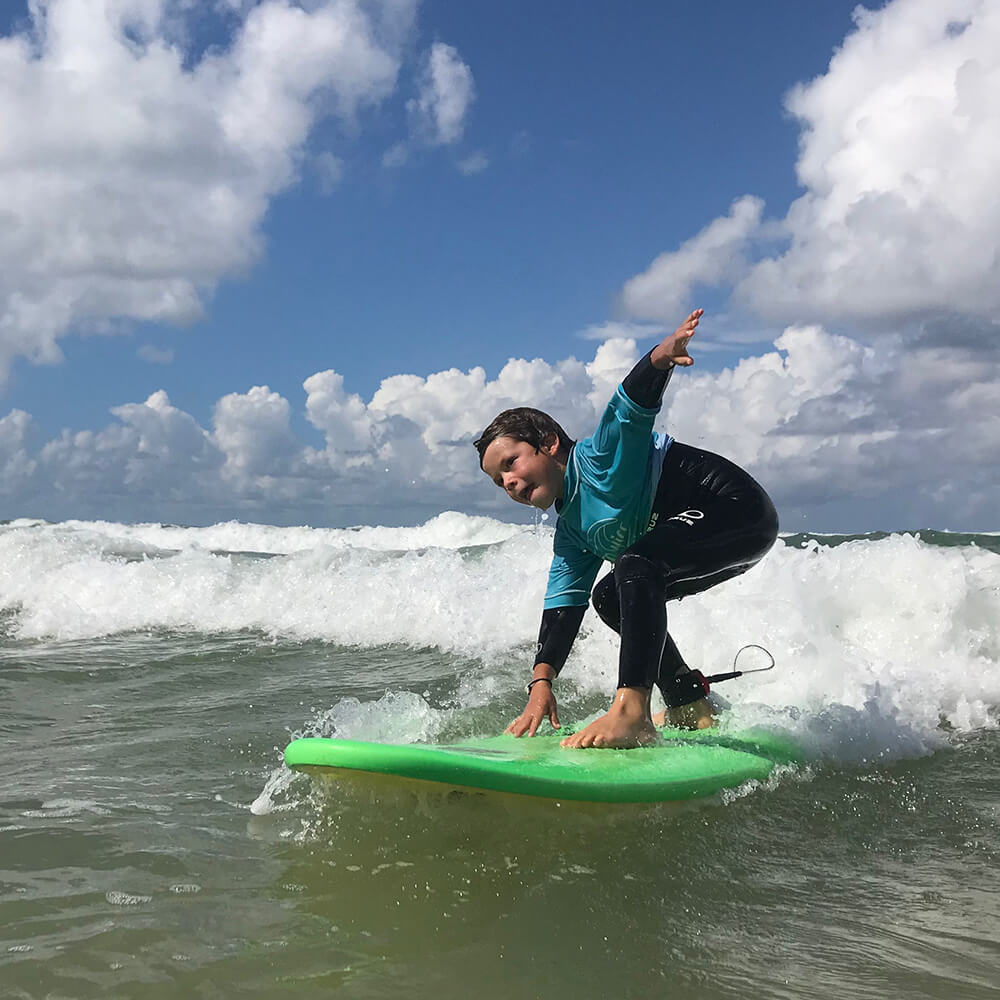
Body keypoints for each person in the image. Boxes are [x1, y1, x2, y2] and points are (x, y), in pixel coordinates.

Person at [474, 309, 778, 749]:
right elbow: (562, 610)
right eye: (499, 481)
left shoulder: (600, 456)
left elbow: (631, 402)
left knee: (637, 563)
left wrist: (662, 355)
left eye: (511, 463)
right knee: (609, 595)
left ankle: (632, 710)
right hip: (703, 542)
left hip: (737, 510)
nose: (510, 483)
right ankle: (689, 703)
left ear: (549, 444)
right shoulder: (573, 532)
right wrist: (540, 684)